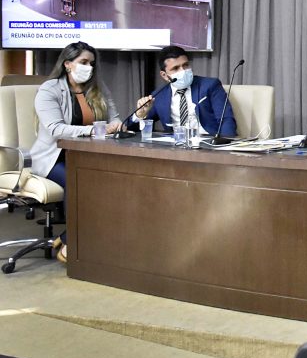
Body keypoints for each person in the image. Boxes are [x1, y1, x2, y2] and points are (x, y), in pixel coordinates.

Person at [29, 42, 122, 262]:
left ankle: (72, 237)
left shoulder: (98, 87)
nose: (89, 67)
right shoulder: (49, 89)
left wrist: (120, 124)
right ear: (67, 64)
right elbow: (55, 129)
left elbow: (115, 118)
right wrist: (94, 130)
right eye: (83, 62)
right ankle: (70, 243)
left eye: (92, 63)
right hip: (54, 158)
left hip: (90, 155)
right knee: (80, 180)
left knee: (117, 182)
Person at [132, 45, 237, 137]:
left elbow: (226, 120)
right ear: (164, 75)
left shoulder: (210, 85)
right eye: (176, 68)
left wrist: (223, 146)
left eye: (185, 65)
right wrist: (139, 115)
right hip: (175, 147)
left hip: (207, 144)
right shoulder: (159, 95)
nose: (183, 71)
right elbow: (130, 129)